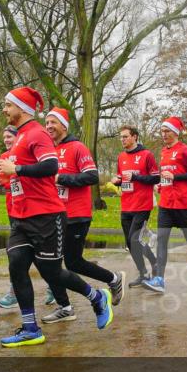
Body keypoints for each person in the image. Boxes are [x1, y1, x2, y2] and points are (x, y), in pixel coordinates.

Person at [0, 87, 113, 347]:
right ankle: (30, 328)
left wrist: (16, 168)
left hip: (47, 215)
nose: (4, 109)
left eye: (8, 105)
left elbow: (50, 167)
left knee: (52, 272)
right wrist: (7, 176)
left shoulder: (37, 133)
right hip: (21, 217)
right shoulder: (20, 138)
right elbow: (23, 174)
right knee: (16, 264)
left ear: (23, 108)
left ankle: (97, 297)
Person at [40, 107, 125, 324]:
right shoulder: (48, 149)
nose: (49, 126)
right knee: (53, 263)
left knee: (74, 262)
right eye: (47, 122)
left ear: (64, 126)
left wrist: (62, 179)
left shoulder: (77, 147)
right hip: (54, 213)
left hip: (76, 214)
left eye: (53, 122)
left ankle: (113, 280)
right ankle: (65, 306)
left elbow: (91, 176)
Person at [141, 117, 187, 293]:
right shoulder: (164, 152)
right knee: (162, 240)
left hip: (182, 203)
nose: (164, 134)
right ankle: (159, 279)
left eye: (167, 131)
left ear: (175, 132)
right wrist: (160, 184)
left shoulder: (185, 150)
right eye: (162, 131)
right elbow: (166, 175)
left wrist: (175, 178)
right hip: (166, 203)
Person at [110, 125, 158, 287]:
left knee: (134, 239)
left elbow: (155, 178)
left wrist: (136, 177)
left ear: (135, 137)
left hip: (142, 205)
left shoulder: (147, 155)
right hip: (126, 205)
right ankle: (144, 272)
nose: (122, 140)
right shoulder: (121, 156)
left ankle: (152, 265)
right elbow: (121, 176)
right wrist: (117, 181)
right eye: (121, 137)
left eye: (125, 136)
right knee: (130, 243)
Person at [0, 125, 20, 310]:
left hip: (29, 209)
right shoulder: (3, 157)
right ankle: (14, 291)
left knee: (32, 253)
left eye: (10, 136)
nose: (6, 140)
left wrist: (5, 180)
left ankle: (54, 286)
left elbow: (18, 179)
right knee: (14, 252)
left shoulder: (24, 155)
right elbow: (4, 179)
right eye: (5, 137)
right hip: (12, 209)